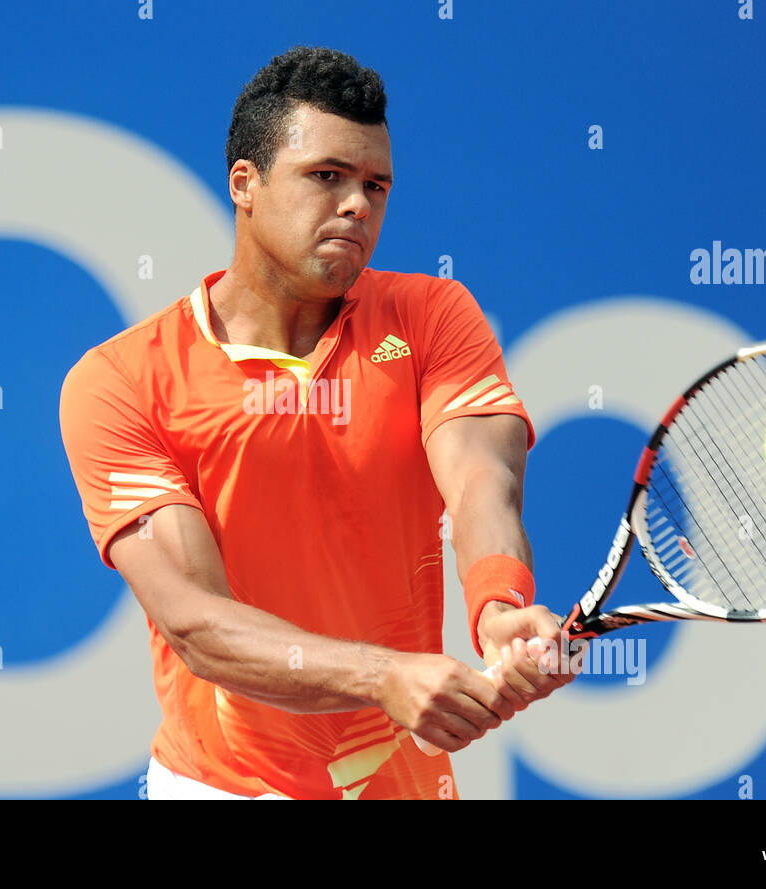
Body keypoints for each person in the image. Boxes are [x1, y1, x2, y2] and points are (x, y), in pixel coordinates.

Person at [59, 46, 580, 800]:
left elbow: (480, 479)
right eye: (326, 176)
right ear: (246, 183)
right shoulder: (121, 380)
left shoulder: (431, 316)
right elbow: (198, 623)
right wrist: (384, 674)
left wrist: (497, 601)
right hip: (223, 786)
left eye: (376, 184)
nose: (357, 205)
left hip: (404, 783)